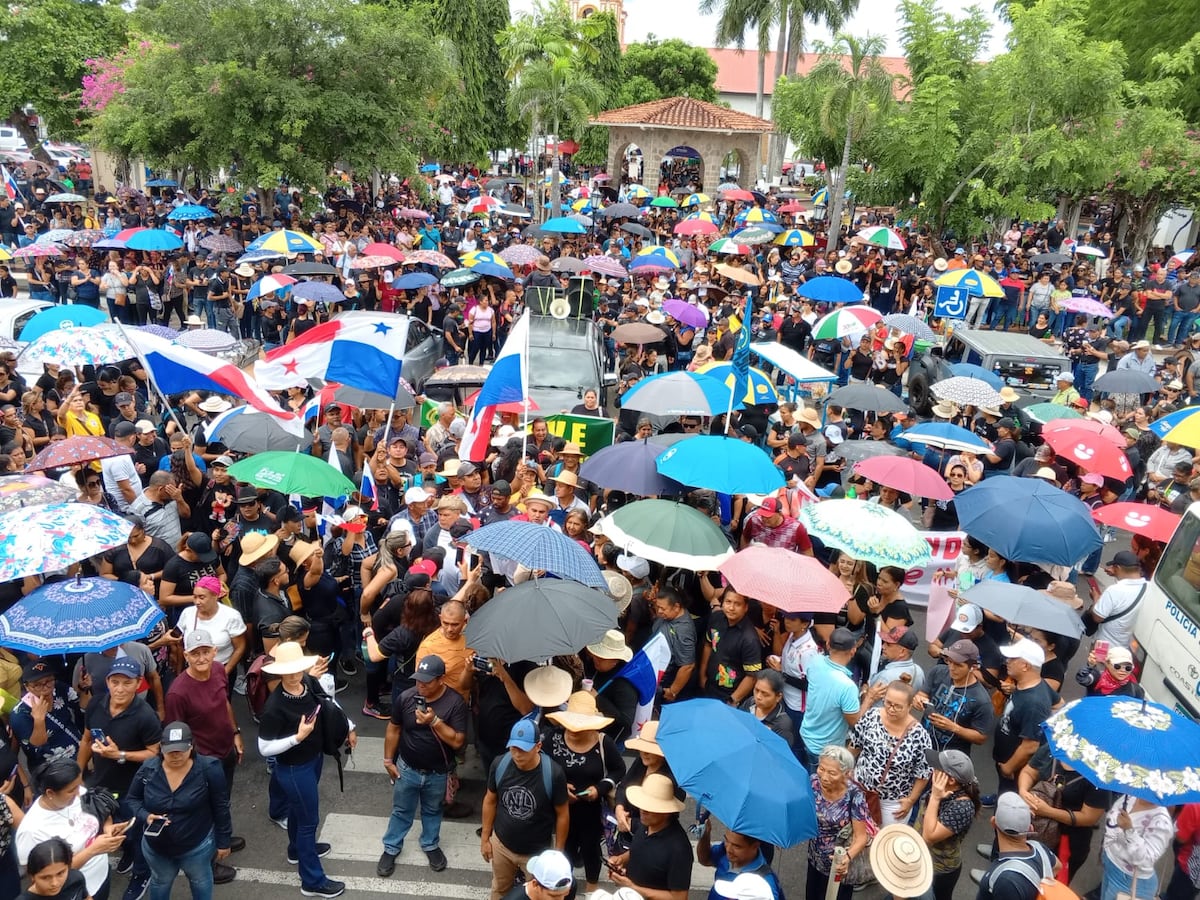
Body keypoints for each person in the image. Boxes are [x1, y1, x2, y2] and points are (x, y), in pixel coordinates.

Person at [257, 642, 356, 899]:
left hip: (312, 760)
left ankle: (295, 851)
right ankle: (312, 880)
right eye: (287, 671)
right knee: (308, 823)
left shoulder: (308, 683)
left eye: (297, 669)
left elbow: (328, 704)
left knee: (298, 813)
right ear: (279, 672)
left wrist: (349, 726)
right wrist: (297, 738)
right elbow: (264, 748)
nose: (293, 675)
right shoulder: (274, 707)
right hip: (293, 768)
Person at [77, 658, 163, 900]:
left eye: (127, 683)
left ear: (138, 684)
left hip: (133, 790)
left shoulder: (146, 716)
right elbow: (85, 740)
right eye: (115, 682)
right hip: (100, 785)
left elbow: (155, 753)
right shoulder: (95, 704)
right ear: (107, 682)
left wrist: (120, 755)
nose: (120, 688)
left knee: (136, 835)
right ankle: (126, 853)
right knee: (110, 830)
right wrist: (78, 774)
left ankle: (142, 873)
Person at [164, 629, 245, 880]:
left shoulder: (220, 670)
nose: (201, 658)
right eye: (195, 654)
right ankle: (207, 864)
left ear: (214, 652)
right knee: (205, 811)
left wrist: (235, 733)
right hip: (202, 761)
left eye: (206, 652)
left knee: (222, 801)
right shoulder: (177, 693)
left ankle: (222, 836)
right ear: (186, 655)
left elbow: (224, 703)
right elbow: (175, 736)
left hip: (225, 750)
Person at [377, 655, 469, 878]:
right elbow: (394, 728)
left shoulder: (455, 703)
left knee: (433, 810)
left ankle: (430, 844)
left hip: (438, 772)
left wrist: (435, 722)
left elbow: (458, 741)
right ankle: (391, 847)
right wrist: (388, 760)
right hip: (407, 768)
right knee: (401, 810)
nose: (421, 685)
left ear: (441, 679)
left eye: (426, 681)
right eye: (418, 680)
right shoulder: (407, 697)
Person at [125, 722, 233, 900]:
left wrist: (224, 841)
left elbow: (221, 806)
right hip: (157, 848)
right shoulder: (148, 769)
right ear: (161, 748)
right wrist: (146, 816)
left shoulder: (209, 769)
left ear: (191, 747)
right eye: (170, 751)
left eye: (181, 750)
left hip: (197, 847)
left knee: (200, 881)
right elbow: (132, 799)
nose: (176, 756)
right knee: (160, 881)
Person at [544, 692, 626, 894]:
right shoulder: (553, 738)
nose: (573, 731)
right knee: (566, 849)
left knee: (591, 850)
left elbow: (618, 769)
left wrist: (599, 789)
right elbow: (542, 766)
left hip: (591, 811)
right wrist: (560, 788)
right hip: (561, 809)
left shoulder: (603, 742)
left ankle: (591, 890)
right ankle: (565, 890)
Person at [481, 719, 570, 900]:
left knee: (540, 895)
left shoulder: (553, 773)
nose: (517, 754)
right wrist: (485, 838)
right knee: (499, 888)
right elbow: (490, 800)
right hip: (502, 845)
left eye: (523, 749)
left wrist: (558, 853)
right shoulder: (500, 764)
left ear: (538, 746)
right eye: (513, 748)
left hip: (536, 852)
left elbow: (562, 814)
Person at [16, 759, 126, 900]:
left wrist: (107, 827)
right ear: (50, 793)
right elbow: (40, 875)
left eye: (78, 785)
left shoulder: (74, 796)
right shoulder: (32, 830)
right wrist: (94, 850)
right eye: (72, 790)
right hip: (73, 891)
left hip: (101, 874)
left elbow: (99, 810)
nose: (79, 791)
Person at [1016, 744, 1108, 882]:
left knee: (1047, 887)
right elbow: (1029, 772)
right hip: (1031, 828)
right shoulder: (1054, 747)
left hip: (1066, 844)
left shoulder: (1100, 774)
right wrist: (1023, 792)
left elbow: (1089, 817)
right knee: (1019, 874)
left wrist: (1048, 811)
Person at [849, 680, 933, 827]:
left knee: (886, 843)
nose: (891, 709)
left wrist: (911, 800)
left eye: (898, 706)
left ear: (909, 706)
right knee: (854, 835)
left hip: (892, 803)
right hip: (860, 789)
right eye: (888, 703)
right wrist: (845, 768)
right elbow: (856, 744)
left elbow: (924, 773)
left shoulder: (920, 736)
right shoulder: (871, 716)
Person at [607, 773, 693, 900]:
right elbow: (641, 850)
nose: (643, 810)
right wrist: (621, 859)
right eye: (643, 804)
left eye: (650, 807)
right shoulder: (646, 824)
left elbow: (679, 897)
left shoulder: (679, 848)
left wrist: (633, 887)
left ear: (666, 811)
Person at [992, 638, 1057, 797]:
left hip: (1015, 769)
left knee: (1007, 802)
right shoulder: (1033, 686)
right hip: (1006, 760)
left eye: (1013, 659)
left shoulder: (1034, 703)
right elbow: (1058, 703)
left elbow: (1030, 746)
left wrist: (1008, 768)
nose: (1007, 661)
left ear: (1025, 665)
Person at [799, 627, 871, 770]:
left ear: (828, 645)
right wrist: (869, 698)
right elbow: (855, 722)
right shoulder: (847, 686)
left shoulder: (815, 662)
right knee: (819, 788)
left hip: (805, 735)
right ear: (853, 650)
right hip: (824, 751)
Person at [806, 745, 871, 900]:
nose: (824, 777)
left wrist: (847, 858)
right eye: (821, 769)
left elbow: (861, 837)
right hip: (814, 857)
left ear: (846, 774)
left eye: (832, 773)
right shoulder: (813, 783)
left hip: (838, 864)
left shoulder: (854, 795)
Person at [913, 640, 995, 756]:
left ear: (973, 667)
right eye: (949, 661)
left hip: (950, 757)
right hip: (920, 744)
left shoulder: (982, 700)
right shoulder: (938, 672)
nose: (952, 667)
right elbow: (922, 694)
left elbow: (981, 737)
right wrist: (919, 700)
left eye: (958, 665)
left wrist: (954, 728)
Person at [971, 793, 1058, 898]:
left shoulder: (1007, 880)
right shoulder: (1040, 848)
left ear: (993, 822)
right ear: (1030, 828)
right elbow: (1057, 866)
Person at [922, 749, 981, 900]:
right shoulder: (942, 787)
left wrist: (935, 798)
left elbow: (929, 836)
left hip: (939, 869)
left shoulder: (962, 807)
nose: (932, 769)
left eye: (937, 767)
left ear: (951, 780)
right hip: (924, 859)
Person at [1099, 795, 1172, 900]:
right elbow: (1111, 824)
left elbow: (1146, 860)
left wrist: (1129, 830)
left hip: (1129, 881)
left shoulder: (1161, 821)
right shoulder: (1130, 797)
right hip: (1110, 865)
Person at [699, 588, 763, 706]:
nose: (731, 608)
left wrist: (732, 700)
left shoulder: (749, 638)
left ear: (745, 607)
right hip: (709, 685)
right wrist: (702, 676)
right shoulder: (716, 618)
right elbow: (708, 645)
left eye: (737, 604)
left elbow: (752, 676)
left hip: (729, 695)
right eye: (728, 602)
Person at [697, 823, 784, 900]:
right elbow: (706, 859)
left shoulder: (766, 886)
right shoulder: (725, 849)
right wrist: (705, 835)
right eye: (726, 840)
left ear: (755, 846)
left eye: (737, 846)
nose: (729, 849)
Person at [1084, 550, 1147, 650]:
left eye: (1114, 567)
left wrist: (1096, 598)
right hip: (1127, 649)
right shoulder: (1149, 587)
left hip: (1105, 646)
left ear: (1118, 568)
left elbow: (1097, 617)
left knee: (1094, 665)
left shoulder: (1114, 591)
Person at [16, 837, 89, 900]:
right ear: (32, 876)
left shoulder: (76, 879)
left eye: (60, 873)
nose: (55, 883)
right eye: (46, 877)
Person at [737, 671, 793, 747]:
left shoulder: (783, 724)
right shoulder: (750, 702)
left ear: (778, 697)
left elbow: (778, 752)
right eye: (756, 690)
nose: (758, 697)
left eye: (765, 694)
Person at [500, 849, 575, 900]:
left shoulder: (570, 885)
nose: (561, 899)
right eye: (554, 896)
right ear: (535, 884)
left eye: (565, 894)